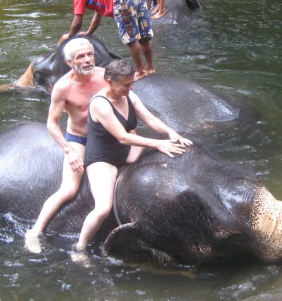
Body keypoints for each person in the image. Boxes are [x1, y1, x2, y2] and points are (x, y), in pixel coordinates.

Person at [73, 59, 193, 259]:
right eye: (126, 85)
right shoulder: (100, 104)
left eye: (132, 83)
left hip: (127, 150)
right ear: (110, 82)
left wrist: (173, 134)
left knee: (166, 152)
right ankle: (79, 248)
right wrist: (158, 143)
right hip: (104, 159)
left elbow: (151, 119)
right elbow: (122, 136)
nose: (131, 88)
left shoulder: (130, 95)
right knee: (103, 208)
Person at [24, 37, 107, 253]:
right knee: (69, 189)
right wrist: (69, 150)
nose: (88, 60)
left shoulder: (104, 75)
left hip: (106, 135)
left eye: (90, 54)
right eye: (81, 56)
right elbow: (52, 123)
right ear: (70, 62)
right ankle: (34, 232)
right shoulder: (62, 87)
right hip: (79, 138)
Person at [59, 0, 155, 82]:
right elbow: (98, 15)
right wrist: (89, 32)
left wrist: (69, 35)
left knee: (131, 39)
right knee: (144, 36)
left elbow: (78, 20)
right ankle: (150, 68)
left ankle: (140, 71)